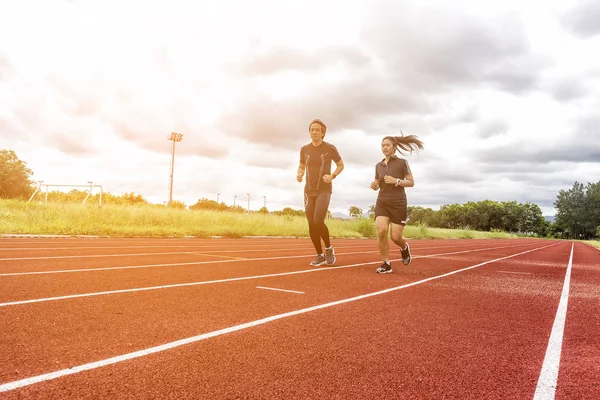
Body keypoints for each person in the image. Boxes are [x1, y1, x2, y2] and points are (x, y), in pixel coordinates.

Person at [370, 133, 424, 273]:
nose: (384, 148)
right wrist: (375, 185)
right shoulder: (378, 165)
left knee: (395, 237)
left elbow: (411, 182)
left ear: (394, 147)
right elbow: (377, 182)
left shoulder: (402, 163)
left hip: (398, 203)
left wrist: (397, 181)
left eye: (387, 145)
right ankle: (386, 264)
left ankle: (404, 247)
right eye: (382, 145)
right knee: (381, 232)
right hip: (382, 201)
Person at [297, 119, 344, 266]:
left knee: (318, 220)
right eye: (312, 129)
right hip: (308, 191)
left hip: (324, 190)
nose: (314, 132)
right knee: (311, 224)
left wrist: (332, 176)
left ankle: (329, 248)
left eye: (317, 130)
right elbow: (301, 166)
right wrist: (299, 174)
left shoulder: (330, 148)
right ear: (309, 132)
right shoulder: (304, 149)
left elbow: (340, 165)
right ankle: (319, 254)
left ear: (323, 133)